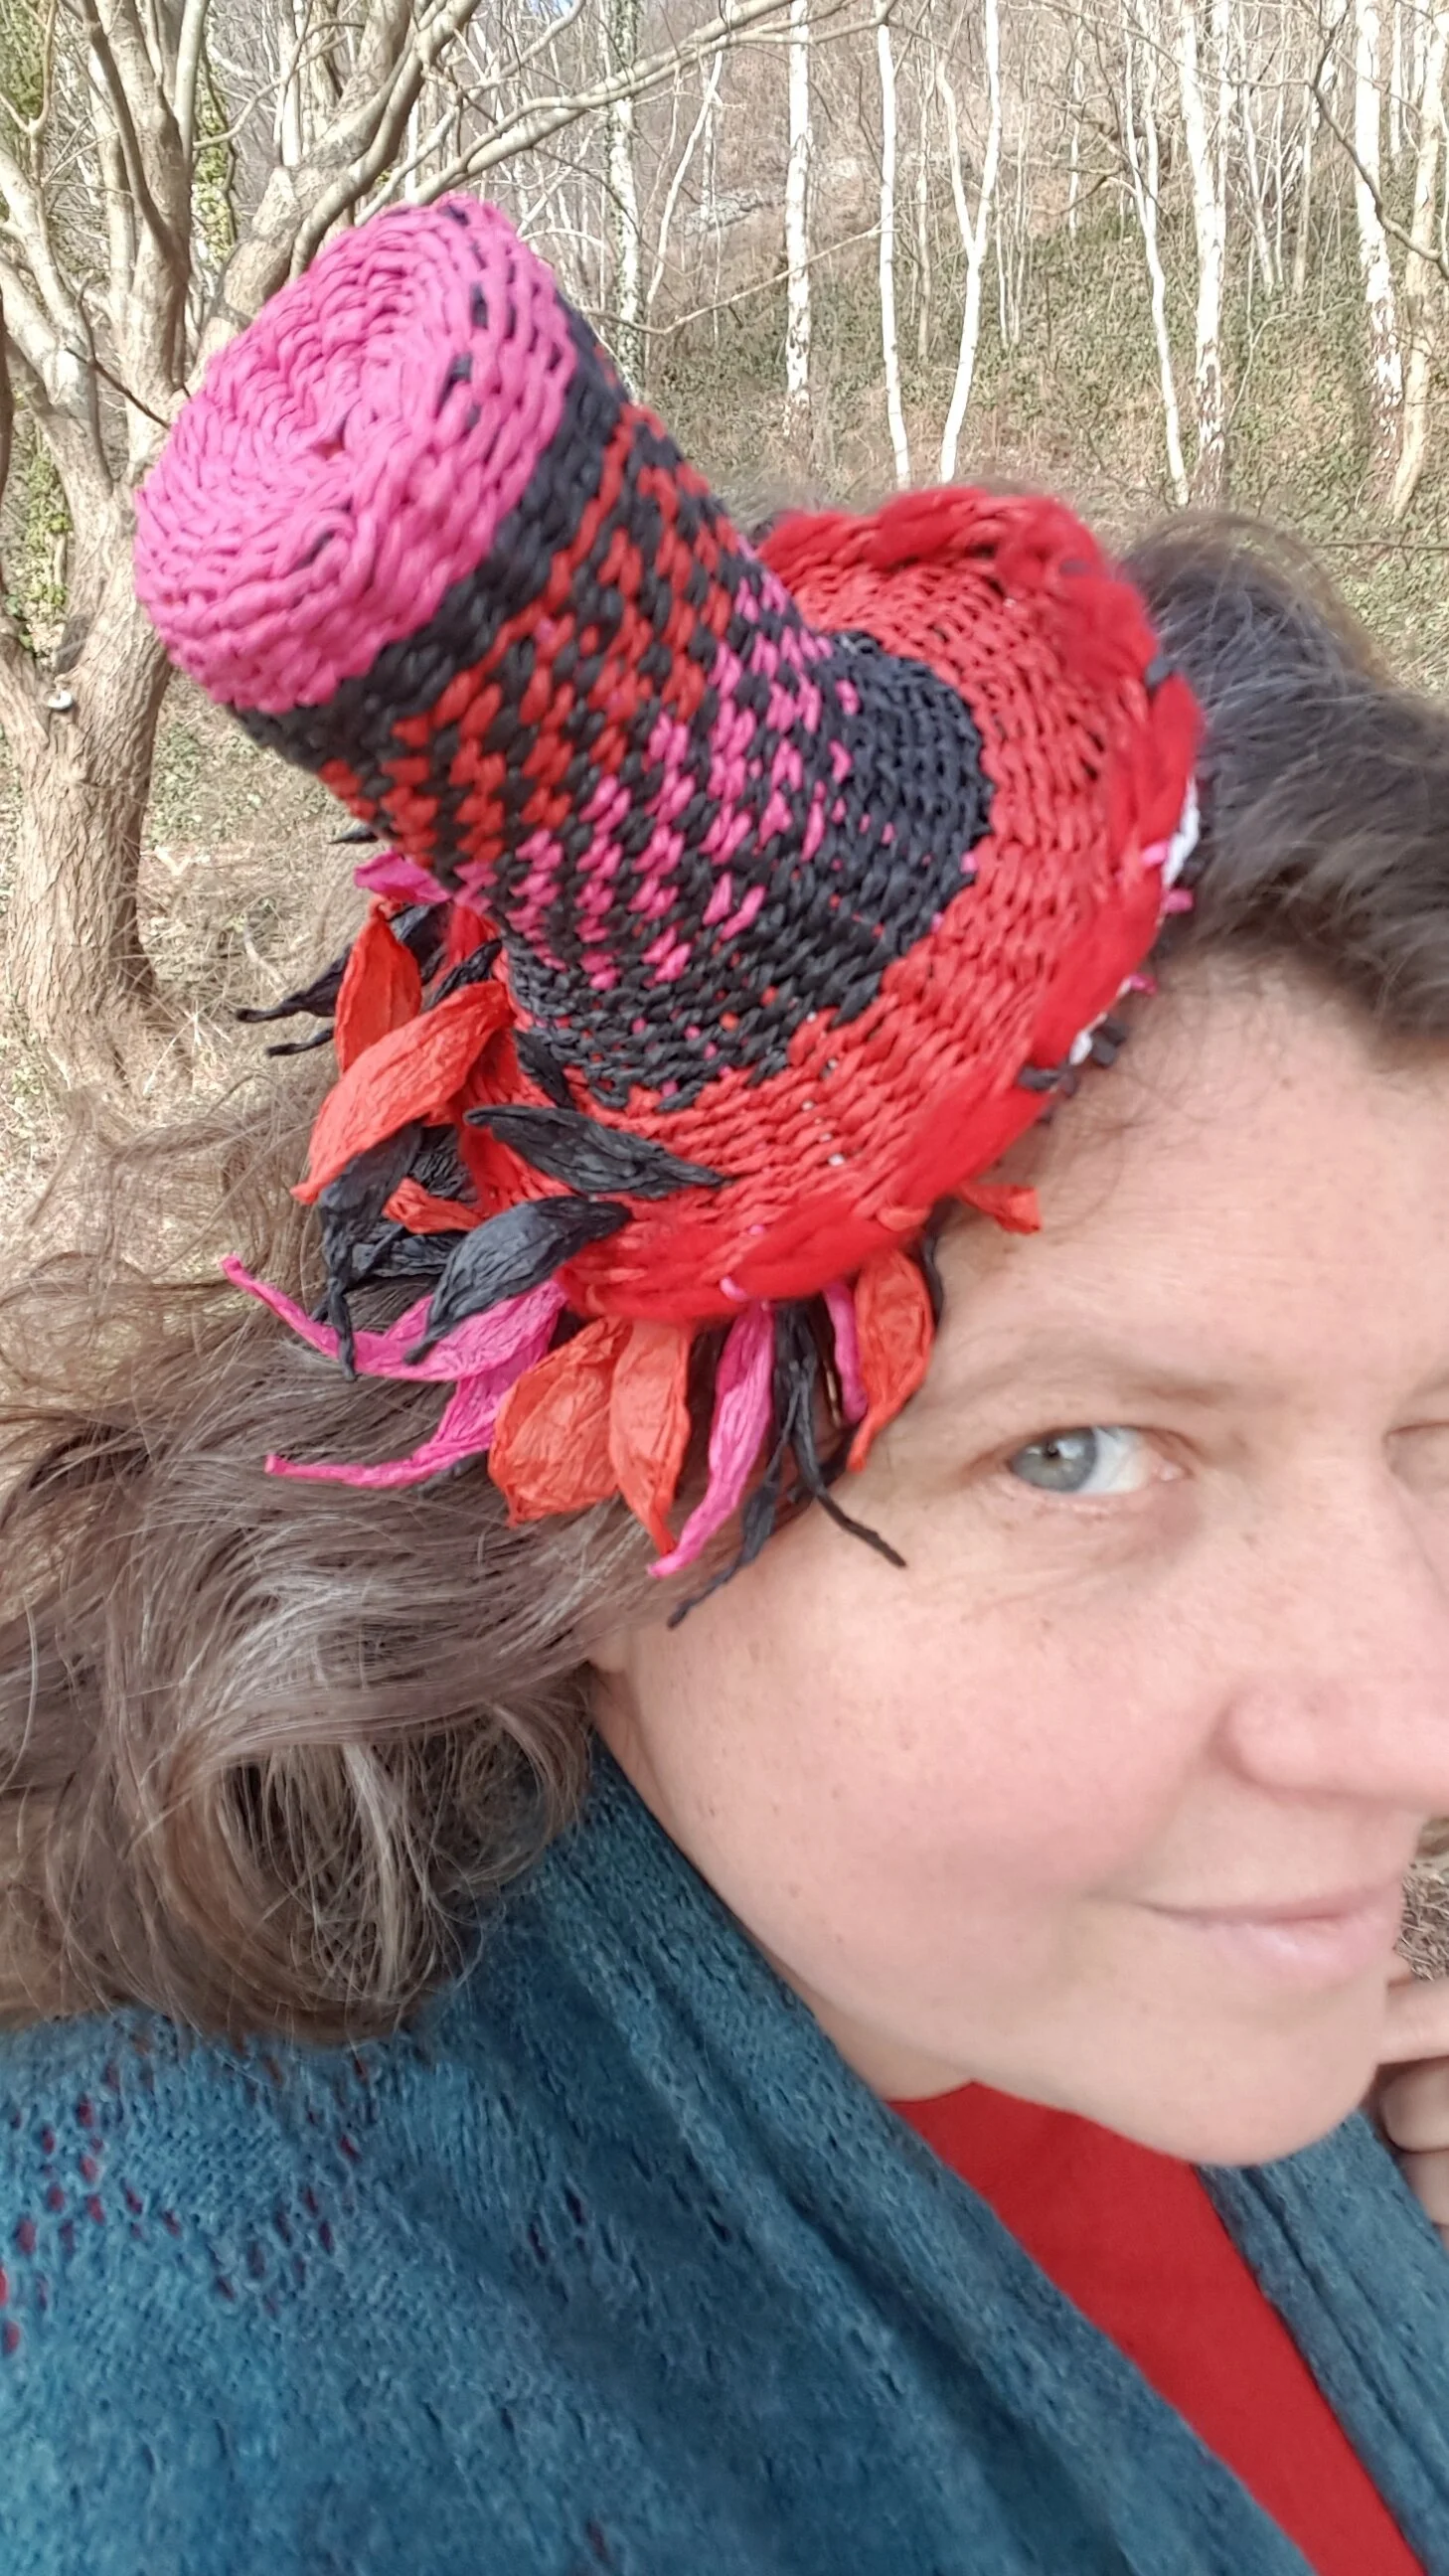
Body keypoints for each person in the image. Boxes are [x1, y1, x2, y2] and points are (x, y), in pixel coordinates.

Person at [2, 196, 1449, 2575]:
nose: (1409, 1726)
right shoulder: (218, 2439)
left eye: (1436, 1432)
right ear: (575, 1505)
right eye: (1082, 1455)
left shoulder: (1157, 2013)